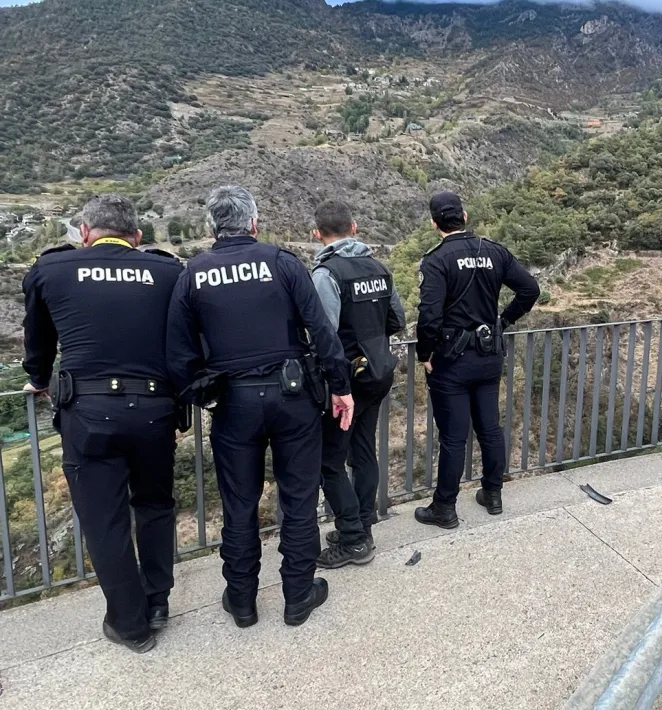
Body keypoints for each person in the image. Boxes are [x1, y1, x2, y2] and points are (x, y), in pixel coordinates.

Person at [166, 186, 354, 628]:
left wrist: (204, 394)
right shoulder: (282, 262)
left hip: (233, 404)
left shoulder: (192, 273)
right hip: (293, 400)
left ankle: (243, 601)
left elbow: (178, 354)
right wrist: (340, 385)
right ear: (254, 223)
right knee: (299, 497)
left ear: (211, 227)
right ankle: (298, 595)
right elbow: (321, 331)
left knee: (239, 503)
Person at [22, 195, 184, 653]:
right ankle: (157, 603)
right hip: (155, 410)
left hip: (89, 414)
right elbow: (183, 343)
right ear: (136, 237)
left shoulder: (50, 270)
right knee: (154, 505)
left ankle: (131, 626)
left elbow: (38, 343)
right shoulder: (169, 271)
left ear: (86, 232)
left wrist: (38, 380)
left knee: (104, 520)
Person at [414, 192, 540, 529]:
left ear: (434, 223)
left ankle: (445, 508)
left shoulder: (437, 260)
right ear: (465, 217)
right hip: (488, 356)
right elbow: (529, 289)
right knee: (490, 428)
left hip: (451, 362)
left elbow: (428, 316)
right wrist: (505, 321)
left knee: (454, 437)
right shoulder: (493, 251)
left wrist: (424, 354)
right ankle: (493, 494)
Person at [310, 199, 405, 568]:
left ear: (317, 235)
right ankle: (362, 524)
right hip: (378, 374)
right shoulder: (379, 268)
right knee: (363, 451)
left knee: (329, 461)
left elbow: (324, 335)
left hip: (345, 384)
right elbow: (396, 318)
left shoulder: (325, 274)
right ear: (355, 227)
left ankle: (353, 538)